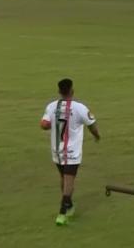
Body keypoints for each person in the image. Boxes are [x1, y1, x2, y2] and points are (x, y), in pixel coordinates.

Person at [40, 78, 100, 226]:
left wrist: (47, 125)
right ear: (72, 90)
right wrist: (96, 136)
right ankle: (62, 211)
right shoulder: (80, 108)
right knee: (69, 179)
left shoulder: (52, 106)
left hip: (57, 151)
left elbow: (44, 124)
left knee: (64, 177)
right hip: (72, 152)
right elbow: (91, 124)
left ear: (59, 91)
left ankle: (69, 205)